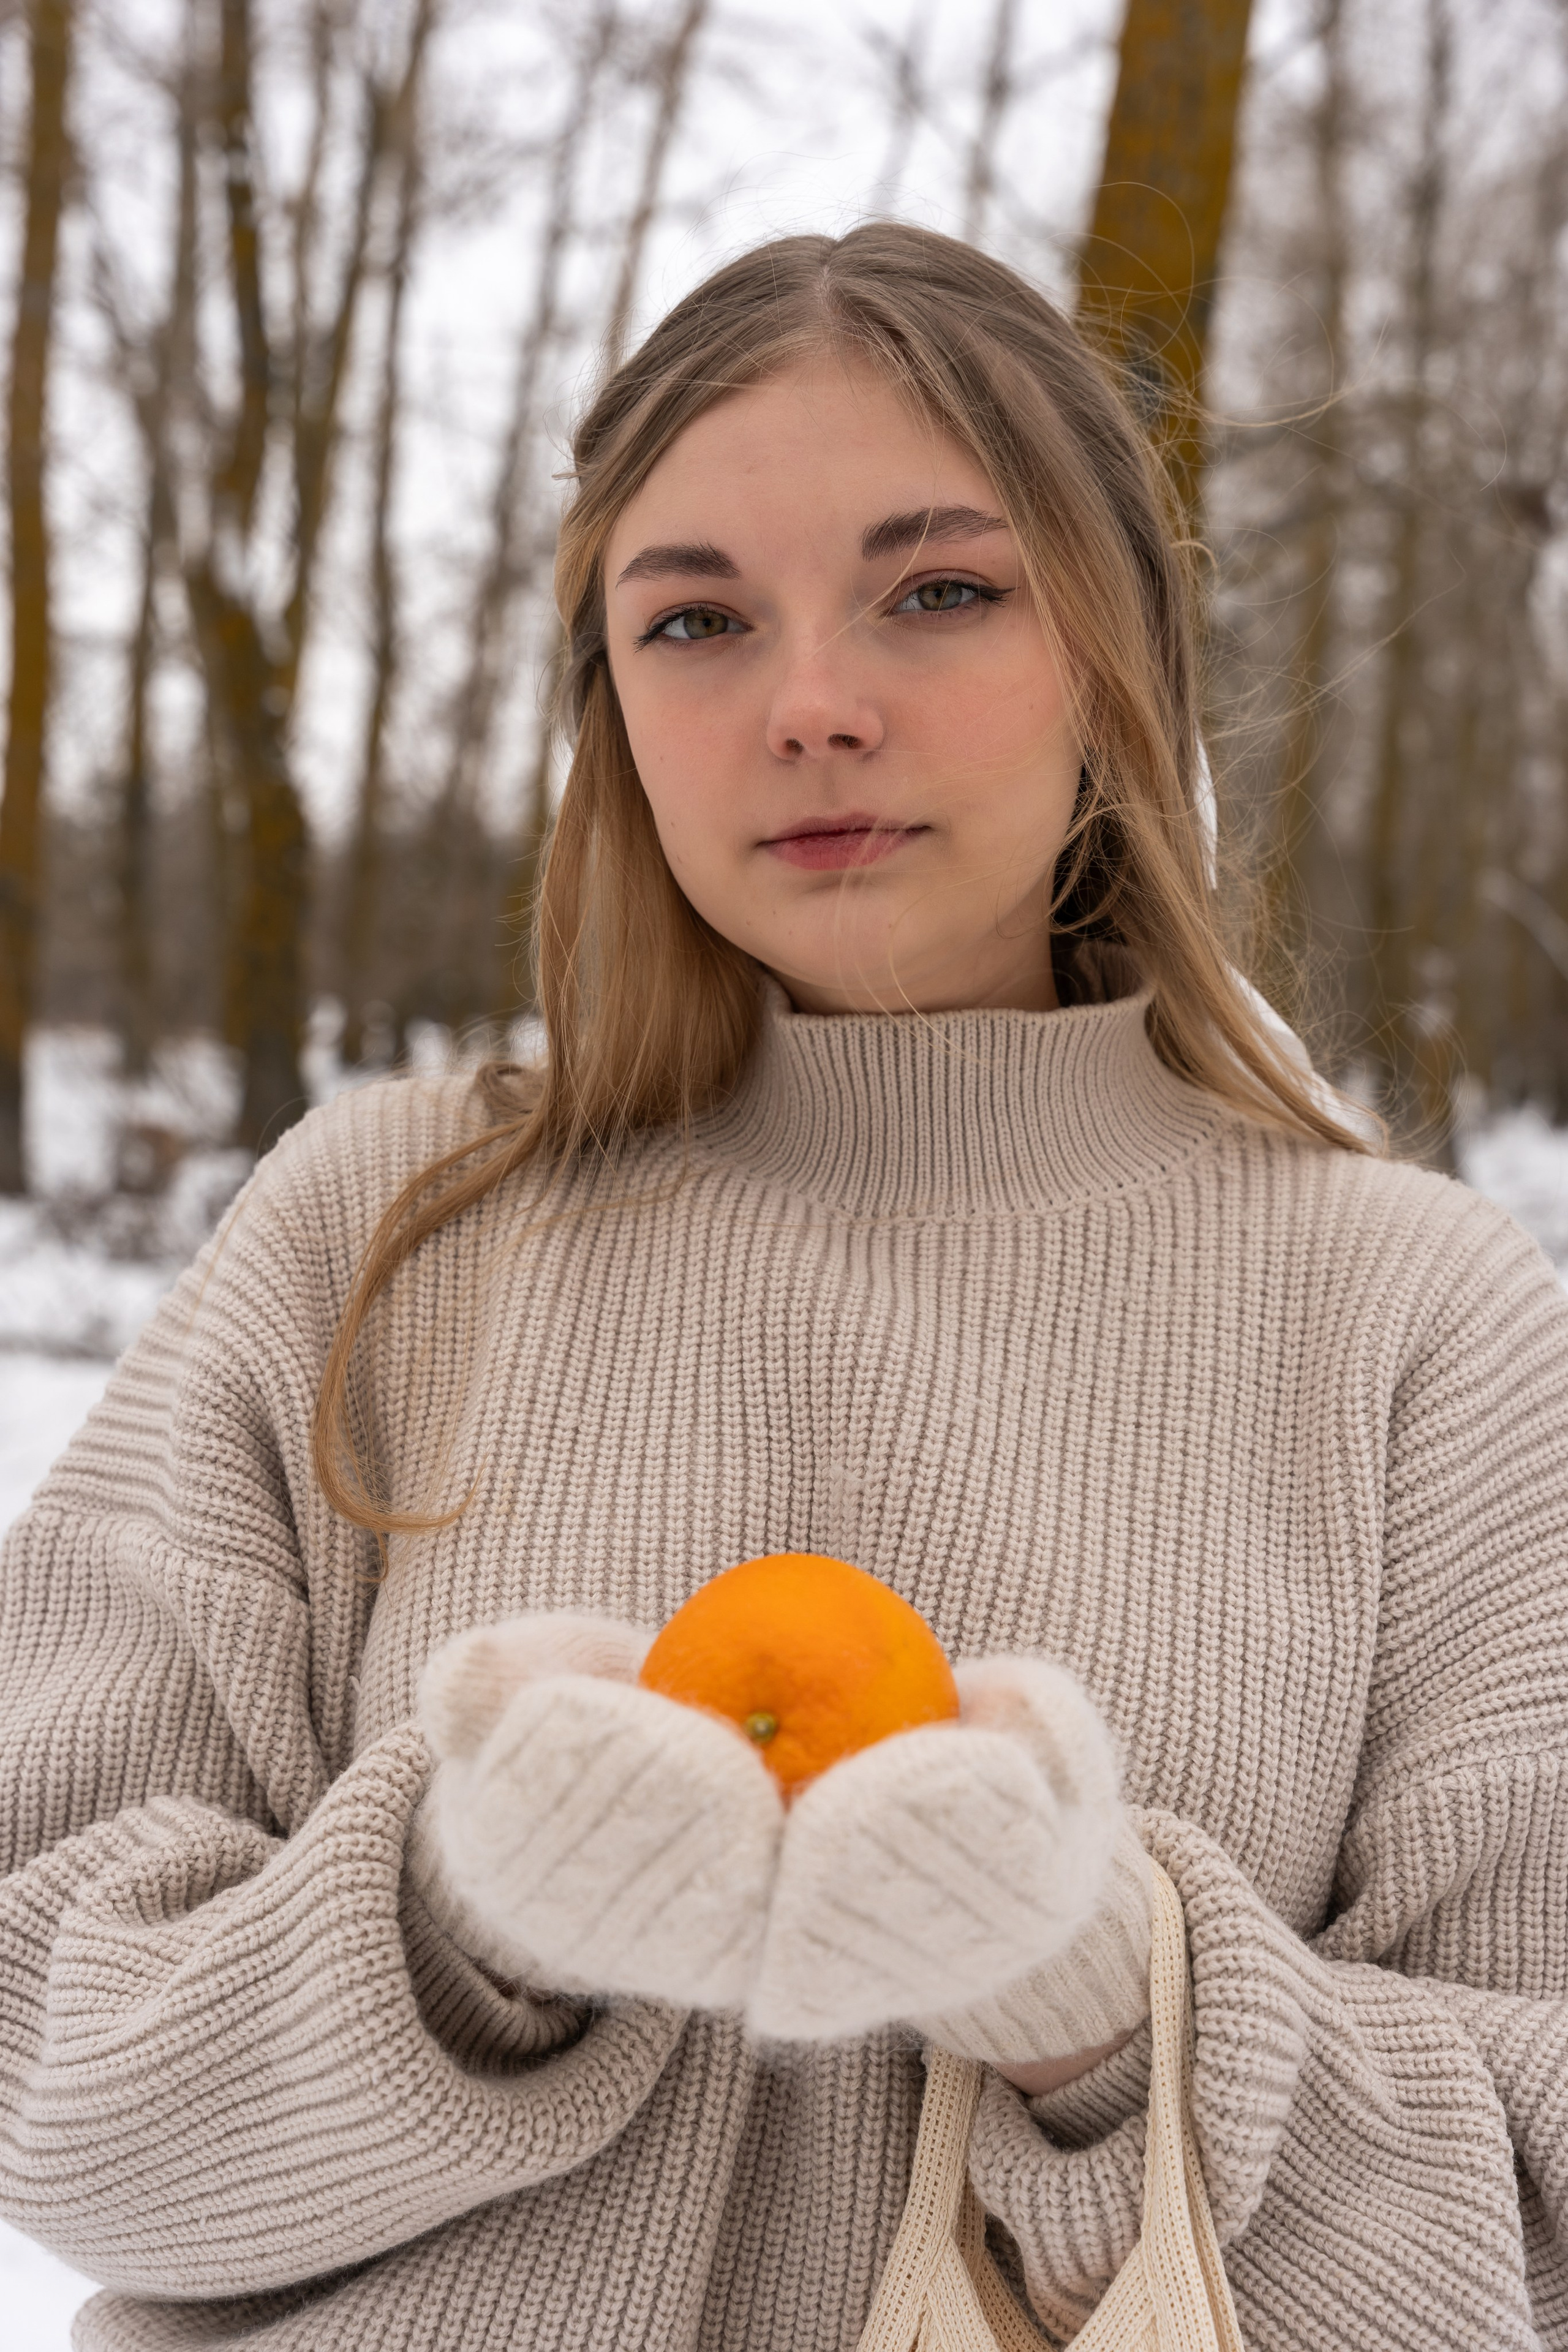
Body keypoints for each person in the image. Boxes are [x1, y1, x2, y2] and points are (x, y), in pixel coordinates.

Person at [2, 223, 1566, 2352]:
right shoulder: (380, 1233)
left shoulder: (1428, 1328)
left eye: (940, 590)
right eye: (697, 621)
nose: (813, 707)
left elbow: (1537, 2221)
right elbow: (36, 2046)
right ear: (611, 707)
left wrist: (1111, 2016)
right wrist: (456, 1924)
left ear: (1120, 659)